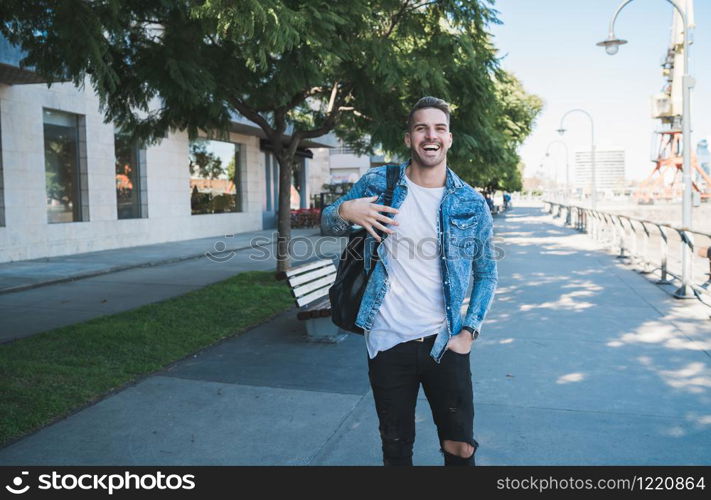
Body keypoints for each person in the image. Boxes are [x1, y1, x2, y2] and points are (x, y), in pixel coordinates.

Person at [321, 96, 498, 466]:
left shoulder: (470, 202)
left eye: (438, 128)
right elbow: (327, 222)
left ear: (449, 138)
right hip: (388, 342)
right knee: (397, 447)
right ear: (408, 138)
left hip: (444, 342)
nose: (430, 136)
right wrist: (342, 209)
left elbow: (486, 271)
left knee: (460, 446)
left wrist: (470, 331)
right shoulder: (379, 183)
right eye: (421, 128)